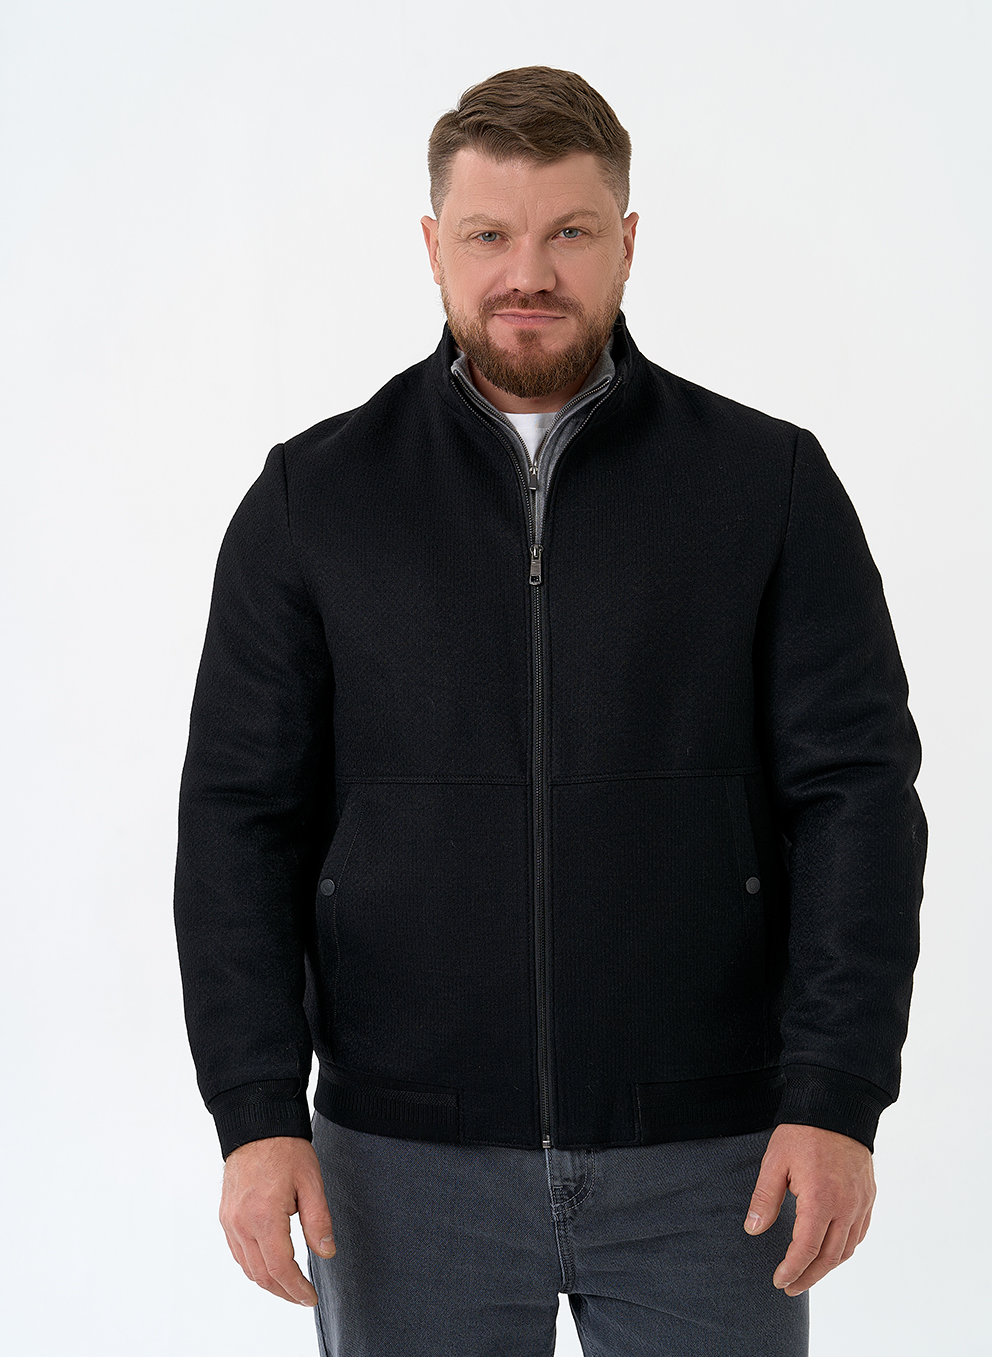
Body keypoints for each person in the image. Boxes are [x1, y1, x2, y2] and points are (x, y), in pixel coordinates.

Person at [173, 66, 926, 1357]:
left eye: (569, 231)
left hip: (714, 1154)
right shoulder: (316, 497)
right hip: (400, 1164)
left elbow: (855, 796)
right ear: (434, 247)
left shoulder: (767, 483)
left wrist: (838, 1096)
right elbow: (241, 819)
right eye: (490, 234)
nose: (529, 272)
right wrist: (255, 1112)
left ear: (627, 241)